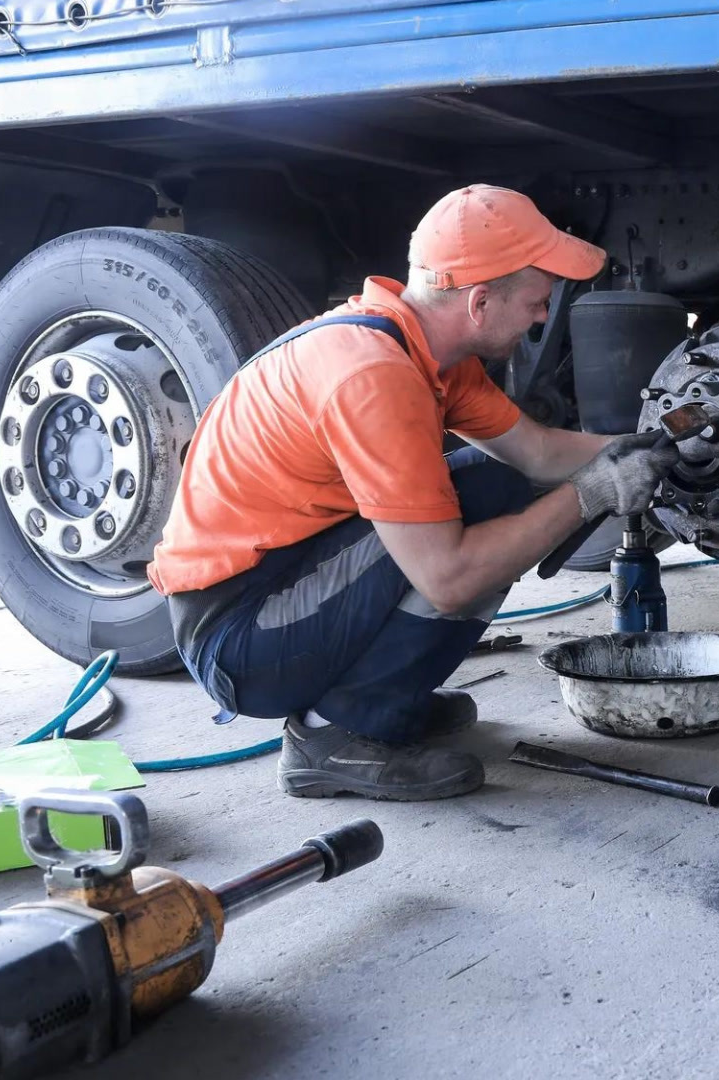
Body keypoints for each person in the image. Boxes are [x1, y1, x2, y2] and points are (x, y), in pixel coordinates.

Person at [149, 186, 678, 800]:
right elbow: (447, 579)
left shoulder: (421, 347)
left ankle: (381, 703)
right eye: (537, 302)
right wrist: (591, 494)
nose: (541, 317)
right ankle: (336, 733)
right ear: (480, 302)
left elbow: (535, 450)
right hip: (241, 635)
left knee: (497, 481)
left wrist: (651, 445)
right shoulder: (374, 374)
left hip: (284, 579)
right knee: (472, 537)